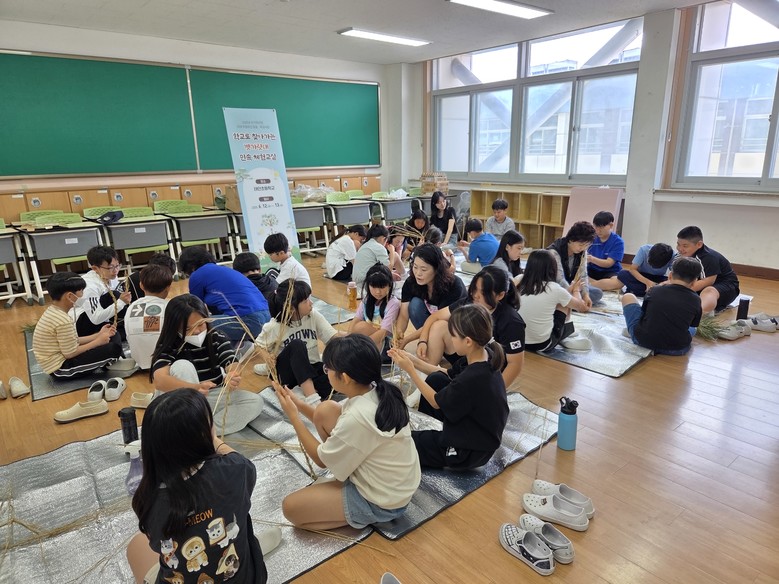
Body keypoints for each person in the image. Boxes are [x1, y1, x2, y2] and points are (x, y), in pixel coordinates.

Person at [275, 334, 420, 530]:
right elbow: (329, 419)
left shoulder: (358, 417)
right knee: (325, 410)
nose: (325, 372)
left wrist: (293, 417)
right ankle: (343, 483)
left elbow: (320, 460)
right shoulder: (375, 389)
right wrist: (298, 405)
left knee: (290, 508)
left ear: (345, 377)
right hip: (395, 487)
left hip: (383, 501)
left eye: (327, 369)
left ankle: (362, 514)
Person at [126, 389, 270, 584]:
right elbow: (240, 461)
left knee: (137, 545)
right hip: (248, 579)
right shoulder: (235, 469)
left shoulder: (147, 499)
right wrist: (214, 440)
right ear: (205, 434)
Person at [389, 304, 509, 470]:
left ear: (468, 341)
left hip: (468, 452)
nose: (450, 340)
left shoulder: (472, 378)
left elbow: (435, 402)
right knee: (436, 379)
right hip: (473, 427)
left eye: (453, 336)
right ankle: (430, 431)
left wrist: (410, 370)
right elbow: (446, 372)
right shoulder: (484, 354)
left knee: (403, 443)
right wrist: (413, 361)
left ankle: (437, 442)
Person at [150, 294, 264, 435]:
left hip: (209, 396)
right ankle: (190, 423)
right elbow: (160, 381)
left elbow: (230, 361)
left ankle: (203, 431)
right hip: (178, 401)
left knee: (254, 401)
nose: (197, 331)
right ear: (174, 327)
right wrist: (195, 388)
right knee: (182, 366)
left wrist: (232, 374)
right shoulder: (169, 345)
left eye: (201, 324)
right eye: (188, 329)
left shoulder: (216, 336)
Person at [413, 266, 525, 389]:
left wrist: (495, 391)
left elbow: (515, 364)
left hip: (489, 370)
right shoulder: (470, 302)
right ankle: (425, 379)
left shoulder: (511, 321)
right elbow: (435, 317)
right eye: (474, 289)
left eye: (483, 293)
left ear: (500, 295)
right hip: (467, 358)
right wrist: (422, 341)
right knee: (439, 326)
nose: (476, 295)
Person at [255, 280, 342, 405]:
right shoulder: (275, 326)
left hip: (311, 367)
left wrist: (351, 342)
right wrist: (267, 357)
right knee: (297, 344)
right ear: (291, 308)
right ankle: (312, 398)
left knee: (336, 377)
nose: (311, 303)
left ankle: (300, 392)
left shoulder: (313, 315)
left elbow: (332, 337)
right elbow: (258, 345)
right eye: (306, 301)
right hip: (288, 374)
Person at [33, 271, 123, 378]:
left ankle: (109, 360)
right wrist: (97, 342)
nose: (83, 295)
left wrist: (98, 335)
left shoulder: (54, 311)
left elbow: (73, 340)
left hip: (64, 357)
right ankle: (111, 361)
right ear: (70, 296)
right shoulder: (62, 321)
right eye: (81, 291)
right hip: (61, 368)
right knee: (113, 349)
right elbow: (70, 353)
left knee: (112, 335)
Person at [178, 247, 271, 345]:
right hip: (267, 317)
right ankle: (240, 347)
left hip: (249, 320)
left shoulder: (197, 275)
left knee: (196, 325)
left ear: (190, 267)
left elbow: (194, 308)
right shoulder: (225, 269)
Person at [621, 256, 703, 355]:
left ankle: (632, 331)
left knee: (628, 296)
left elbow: (643, 314)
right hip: (677, 349)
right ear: (694, 281)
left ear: (670, 275)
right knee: (693, 329)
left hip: (643, 341)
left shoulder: (654, 290)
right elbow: (693, 324)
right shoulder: (696, 299)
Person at [518, 250, 592, 352]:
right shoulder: (554, 288)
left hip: (519, 341)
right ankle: (563, 335)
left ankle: (564, 332)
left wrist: (569, 290)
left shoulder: (521, 284)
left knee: (561, 299)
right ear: (552, 268)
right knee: (564, 303)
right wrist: (576, 290)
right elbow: (581, 307)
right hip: (542, 344)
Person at [395, 244, 467, 347]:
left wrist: (408, 339)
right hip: (432, 322)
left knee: (439, 325)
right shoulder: (411, 282)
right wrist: (399, 333)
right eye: (415, 267)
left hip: (455, 330)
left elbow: (439, 320)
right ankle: (429, 342)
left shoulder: (454, 286)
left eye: (424, 269)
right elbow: (403, 314)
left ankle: (438, 345)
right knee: (414, 304)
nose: (418, 273)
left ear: (437, 269)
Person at [676, 226, 740, 314]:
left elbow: (708, 281)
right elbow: (676, 277)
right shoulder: (680, 255)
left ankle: (697, 315)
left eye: (685, 246)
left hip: (726, 287)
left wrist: (679, 289)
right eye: (678, 244)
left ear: (699, 244)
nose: (680, 249)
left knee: (709, 291)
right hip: (699, 287)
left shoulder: (709, 257)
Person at [73, 245, 132, 339]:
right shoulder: (89, 286)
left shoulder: (111, 276)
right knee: (113, 295)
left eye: (117, 265)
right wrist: (121, 302)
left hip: (104, 319)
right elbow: (95, 318)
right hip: (83, 322)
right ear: (95, 268)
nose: (115, 270)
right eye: (110, 267)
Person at [125, 264, 173, 370]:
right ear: (168, 287)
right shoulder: (171, 306)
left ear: (141, 285)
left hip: (139, 362)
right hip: (165, 363)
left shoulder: (131, 306)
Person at [546, 221, 601, 306]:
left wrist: (585, 295)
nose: (583, 248)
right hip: (554, 286)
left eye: (587, 245)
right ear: (571, 239)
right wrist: (575, 294)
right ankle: (569, 302)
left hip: (571, 286)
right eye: (581, 245)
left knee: (597, 293)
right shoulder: (554, 252)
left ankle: (570, 302)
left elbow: (583, 275)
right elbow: (559, 279)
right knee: (556, 294)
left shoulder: (582, 252)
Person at [350, 264, 400, 352]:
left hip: (385, 344)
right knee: (343, 334)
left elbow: (384, 332)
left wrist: (361, 348)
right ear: (368, 285)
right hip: (369, 341)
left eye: (382, 287)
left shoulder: (393, 303)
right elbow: (355, 321)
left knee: (361, 327)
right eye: (373, 287)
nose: (378, 292)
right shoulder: (366, 300)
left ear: (390, 285)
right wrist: (347, 342)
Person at [598, 243, 675, 296]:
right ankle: (653, 292)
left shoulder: (672, 256)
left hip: (657, 278)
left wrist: (660, 284)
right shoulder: (644, 250)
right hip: (640, 276)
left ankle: (641, 290)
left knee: (672, 285)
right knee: (623, 274)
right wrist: (647, 282)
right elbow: (632, 269)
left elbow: (674, 277)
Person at [352, 224, 399, 289]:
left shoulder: (365, 245)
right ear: (384, 238)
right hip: (368, 284)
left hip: (358, 283)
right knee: (395, 255)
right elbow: (388, 269)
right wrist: (392, 252)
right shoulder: (378, 247)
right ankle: (404, 275)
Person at [588, 211, 625, 288]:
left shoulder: (618, 242)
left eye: (601, 227)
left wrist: (591, 259)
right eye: (596, 227)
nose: (598, 231)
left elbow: (609, 263)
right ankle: (598, 285)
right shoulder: (591, 238)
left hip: (610, 271)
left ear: (611, 225)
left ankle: (590, 285)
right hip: (592, 269)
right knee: (574, 274)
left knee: (619, 282)